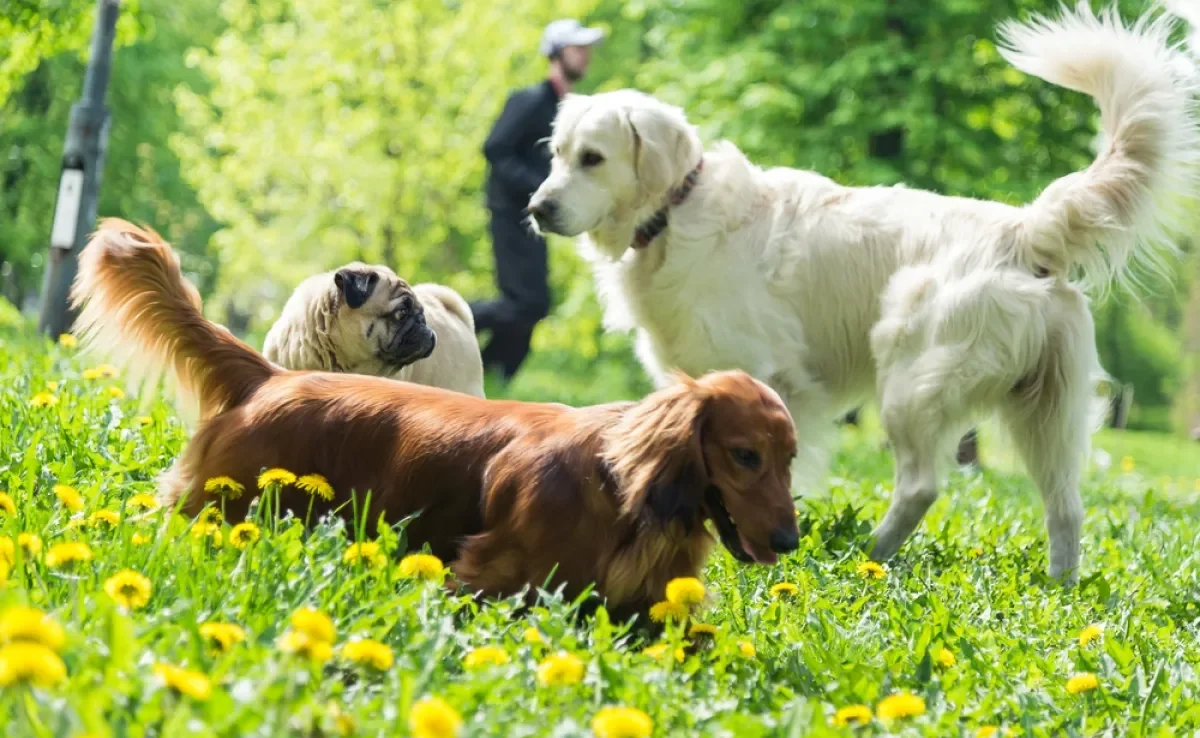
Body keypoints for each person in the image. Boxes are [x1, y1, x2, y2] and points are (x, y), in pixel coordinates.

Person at [469, 19, 605, 380]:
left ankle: (486, 377)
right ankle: (439, 314)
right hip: (510, 214)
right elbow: (495, 148)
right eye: (578, 49)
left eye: (587, 49)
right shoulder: (530, 100)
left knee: (532, 308)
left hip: (534, 217)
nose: (586, 56)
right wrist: (539, 185)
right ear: (557, 54)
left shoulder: (562, 109)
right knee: (526, 304)